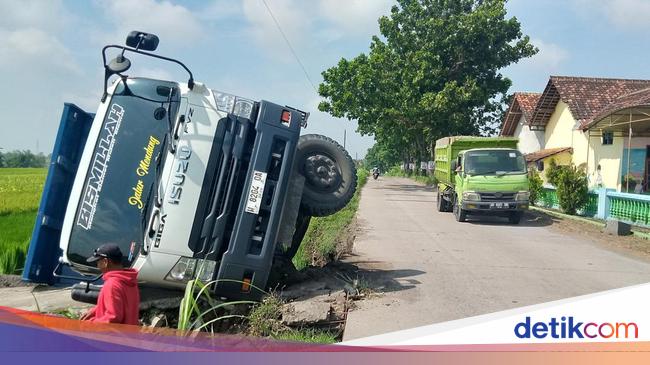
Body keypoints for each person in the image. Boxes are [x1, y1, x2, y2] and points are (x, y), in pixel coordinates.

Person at [81, 243, 140, 325]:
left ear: (105, 262)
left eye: (98, 262)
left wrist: (89, 324)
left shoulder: (112, 284)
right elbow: (121, 305)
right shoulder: (130, 281)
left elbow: (113, 318)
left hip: (113, 337)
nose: (98, 266)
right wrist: (95, 310)